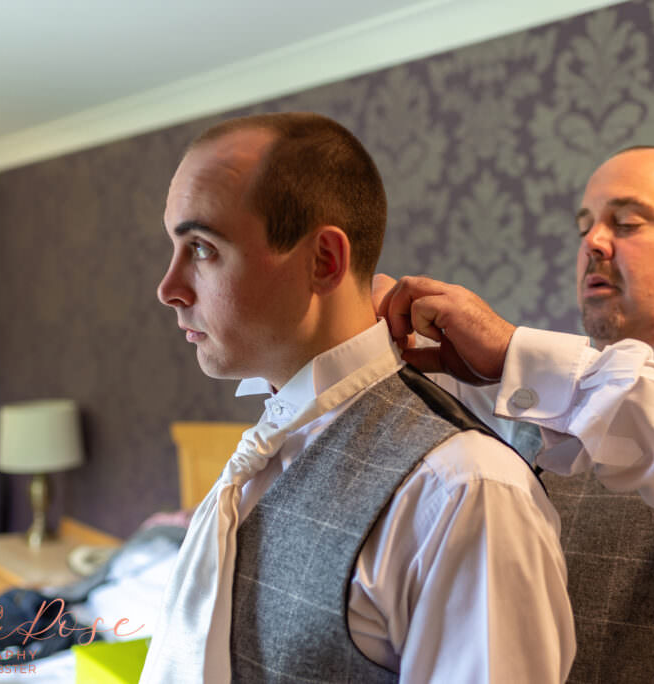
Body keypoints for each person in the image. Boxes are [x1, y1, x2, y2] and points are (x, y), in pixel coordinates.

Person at [142, 112, 575, 683]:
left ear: (323, 260)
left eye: (201, 248)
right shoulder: (271, 448)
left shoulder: (462, 493)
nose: (168, 288)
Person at [377, 146, 654, 683]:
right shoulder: (536, 398)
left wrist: (518, 353)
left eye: (626, 223)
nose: (593, 243)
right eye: (584, 227)